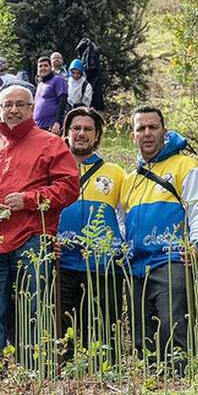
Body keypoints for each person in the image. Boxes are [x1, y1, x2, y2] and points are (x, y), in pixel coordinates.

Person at [0, 84, 79, 369]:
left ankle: (37, 370)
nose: (13, 110)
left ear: (31, 108)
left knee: (36, 306)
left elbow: (69, 186)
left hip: (34, 238)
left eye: (20, 104)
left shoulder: (50, 143)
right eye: (7, 104)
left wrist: (29, 200)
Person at [120, 106, 198, 374]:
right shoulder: (130, 180)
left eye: (153, 127)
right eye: (141, 128)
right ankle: (151, 386)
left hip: (171, 259)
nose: (147, 133)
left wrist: (197, 244)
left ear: (164, 130)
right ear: (133, 135)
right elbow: (121, 221)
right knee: (143, 333)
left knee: (172, 324)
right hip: (136, 265)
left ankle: (178, 380)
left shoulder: (185, 166)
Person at [56, 107, 125, 361]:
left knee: (104, 331)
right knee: (62, 334)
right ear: (66, 133)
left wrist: (119, 249)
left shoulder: (116, 173)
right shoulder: (51, 169)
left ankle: (104, 379)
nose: (81, 134)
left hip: (104, 268)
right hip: (62, 265)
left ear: (97, 136)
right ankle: (65, 386)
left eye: (88, 129)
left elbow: (125, 217)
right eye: (76, 128)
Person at [33, 56, 69, 133]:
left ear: (51, 67)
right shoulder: (40, 84)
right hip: (38, 125)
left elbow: (62, 101)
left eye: (46, 66)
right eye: (40, 66)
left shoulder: (58, 80)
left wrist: (57, 122)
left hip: (51, 125)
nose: (43, 68)